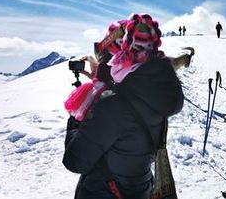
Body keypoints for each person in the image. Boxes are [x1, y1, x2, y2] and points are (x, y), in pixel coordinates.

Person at [63, 13, 185, 199]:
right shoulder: (154, 94)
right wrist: (104, 86)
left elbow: (74, 161)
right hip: (139, 189)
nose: (108, 62)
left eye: (107, 56)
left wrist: (80, 111)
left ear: (122, 55)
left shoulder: (113, 106)